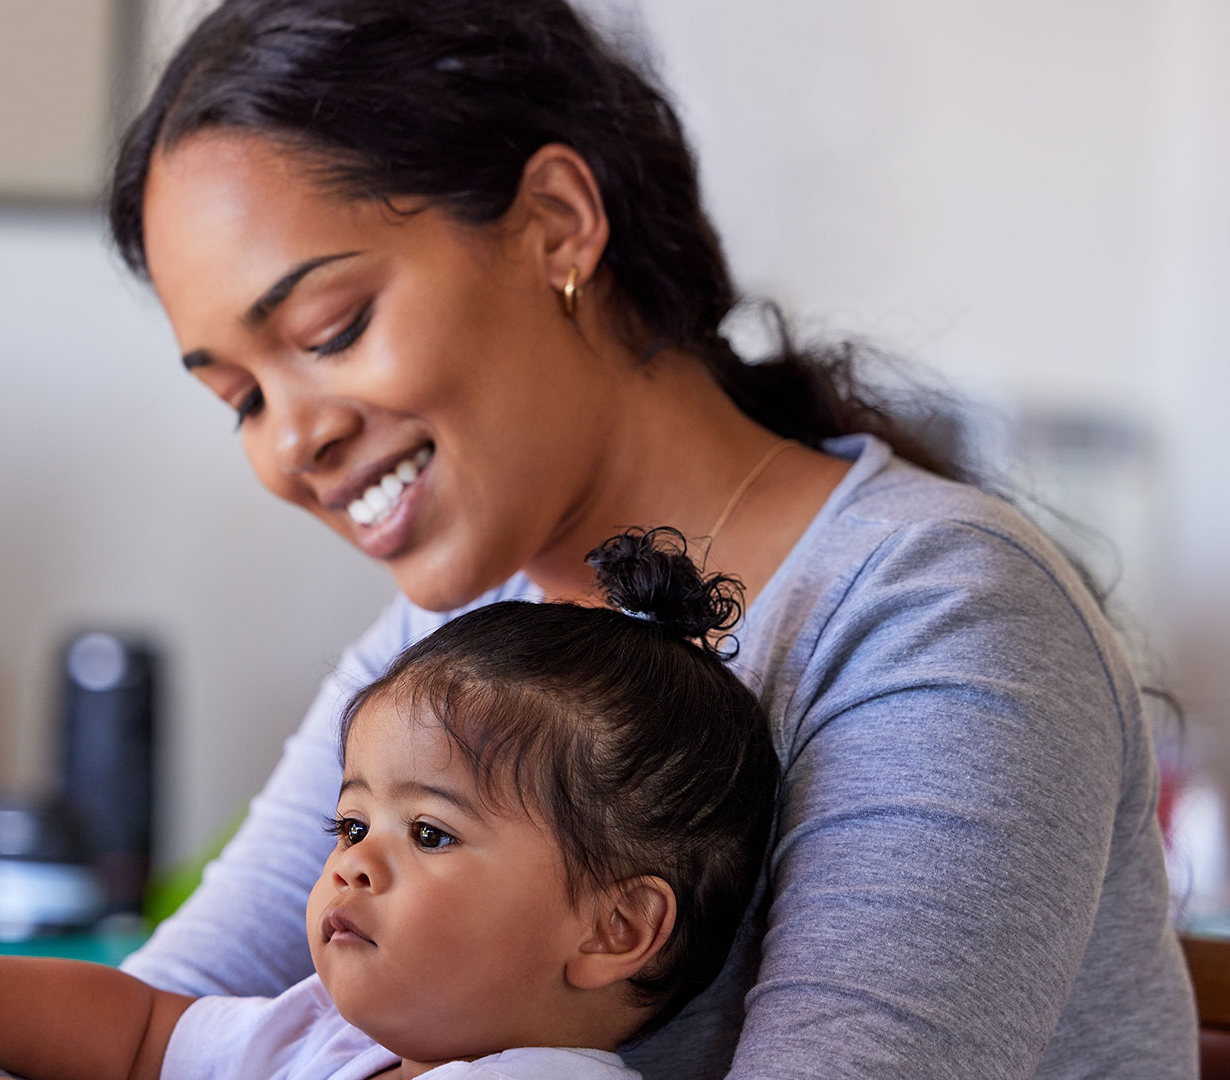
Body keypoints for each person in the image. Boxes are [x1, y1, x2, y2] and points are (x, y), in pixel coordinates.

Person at [102, 1, 1196, 1077]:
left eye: (331, 330)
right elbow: (154, 1016)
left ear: (558, 224)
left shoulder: (937, 616)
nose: (295, 440)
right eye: (241, 398)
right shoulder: (462, 636)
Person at [0, 531, 781, 1079]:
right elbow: (133, 1032)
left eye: (431, 832)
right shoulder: (323, 1039)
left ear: (615, 928)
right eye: (353, 822)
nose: (353, 862)